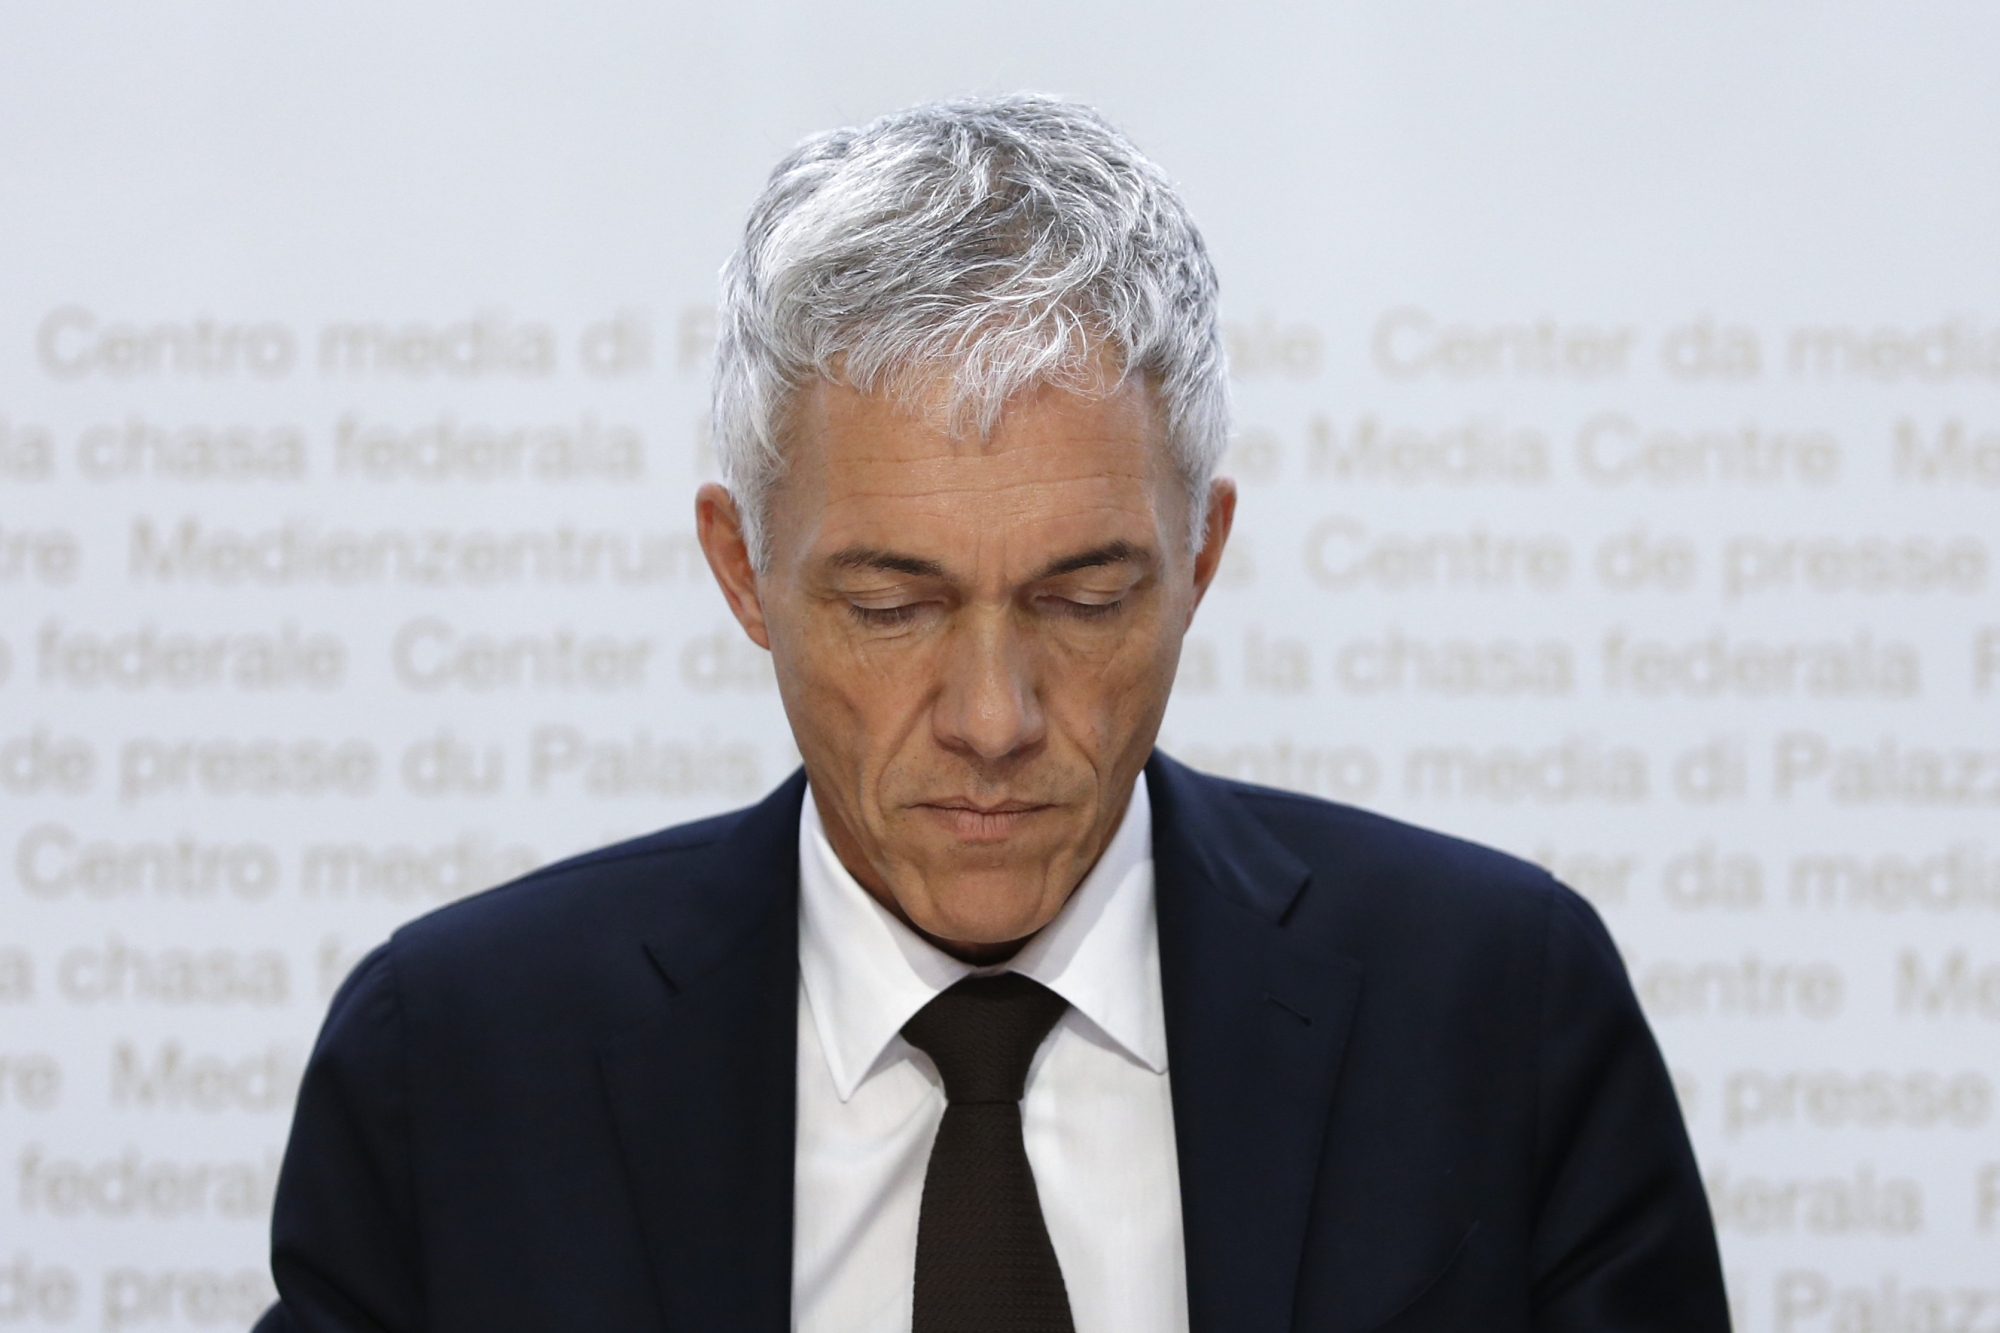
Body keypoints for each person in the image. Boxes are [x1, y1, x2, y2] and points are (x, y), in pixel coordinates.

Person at [256, 95, 1728, 1333]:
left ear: (1200, 560)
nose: (993, 715)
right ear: (742, 570)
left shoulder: (1497, 1014)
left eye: (1085, 600)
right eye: (892, 605)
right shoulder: (453, 1063)